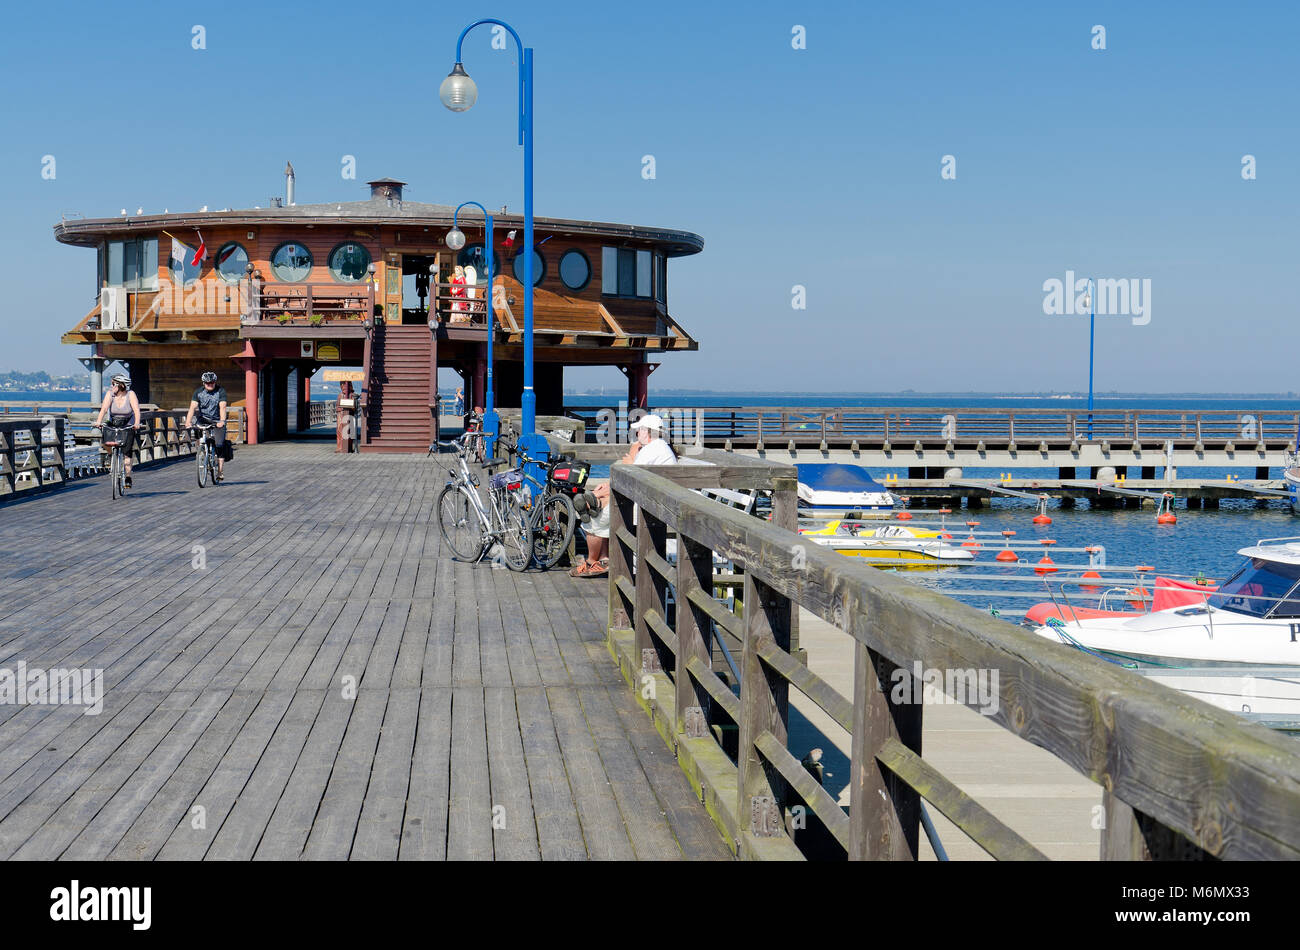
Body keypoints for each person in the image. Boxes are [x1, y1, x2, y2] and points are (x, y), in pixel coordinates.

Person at [570, 413, 676, 577]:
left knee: (592, 518)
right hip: (648, 500)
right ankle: (604, 558)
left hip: (649, 507)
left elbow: (629, 480)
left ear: (648, 432)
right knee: (597, 506)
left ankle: (592, 562)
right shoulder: (657, 447)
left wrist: (629, 463)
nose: (637, 434)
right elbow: (631, 479)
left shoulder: (652, 449)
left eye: (639, 430)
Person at [93, 373, 141, 488]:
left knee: (127, 453)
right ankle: (111, 455)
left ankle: (128, 477)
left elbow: (136, 410)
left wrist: (137, 423)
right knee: (105, 442)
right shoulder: (110, 394)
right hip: (113, 422)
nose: (112, 386)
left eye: (114, 384)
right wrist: (98, 421)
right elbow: (104, 409)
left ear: (121, 386)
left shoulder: (131, 394)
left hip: (127, 423)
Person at [185, 371, 230, 481]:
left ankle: (220, 471)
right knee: (199, 435)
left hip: (217, 419)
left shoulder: (220, 391)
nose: (210, 385)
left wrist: (222, 421)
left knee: (219, 444)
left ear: (215, 382)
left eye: (212, 383)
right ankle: (202, 452)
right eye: (207, 383)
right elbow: (192, 408)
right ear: (203, 383)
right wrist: (188, 421)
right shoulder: (198, 392)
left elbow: (222, 407)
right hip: (203, 419)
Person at [336, 380, 357, 453]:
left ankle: (349, 447)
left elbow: (354, 407)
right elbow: (337, 406)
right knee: (340, 431)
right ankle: (339, 447)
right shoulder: (340, 395)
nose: (343, 388)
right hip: (340, 415)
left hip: (349, 415)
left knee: (349, 432)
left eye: (345, 386)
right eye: (342, 386)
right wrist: (341, 408)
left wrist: (350, 406)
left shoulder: (352, 395)